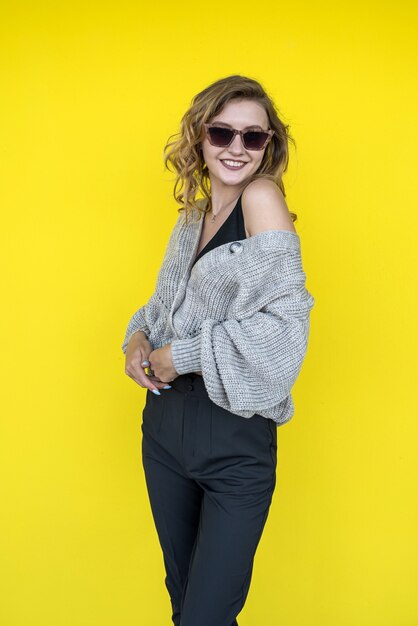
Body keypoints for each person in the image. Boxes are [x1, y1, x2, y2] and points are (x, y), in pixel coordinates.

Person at [122, 74, 315, 626]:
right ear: (200, 138)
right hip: (164, 431)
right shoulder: (192, 218)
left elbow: (284, 334)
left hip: (232, 436)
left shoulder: (261, 198)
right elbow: (165, 309)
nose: (236, 147)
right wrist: (137, 338)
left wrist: (179, 356)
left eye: (253, 137)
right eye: (222, 132)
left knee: (204, 617)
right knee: (184, 604)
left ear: (268, 147)